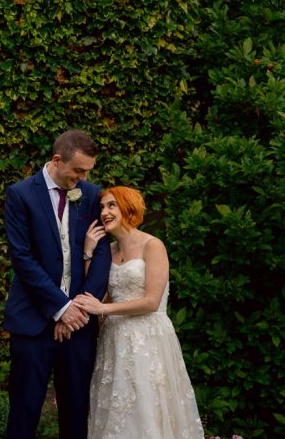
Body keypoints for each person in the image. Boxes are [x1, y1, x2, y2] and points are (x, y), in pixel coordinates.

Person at [3, 130, 112, 439]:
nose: (83, 177)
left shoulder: (90, 195)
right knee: (24, 413)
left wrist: (77, 308)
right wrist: (60, 308)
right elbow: (22, 258)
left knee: (76, 413)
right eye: (78, 170)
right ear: (56, 160)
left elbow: (101, 251)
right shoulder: (20, 194)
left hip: (79, 326)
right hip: (32, 322)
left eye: (88, 171)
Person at [74, 186, 205, 439]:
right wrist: (88, 252)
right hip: (114, 340)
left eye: (112, 205)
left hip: (148, 339)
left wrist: (103, 309)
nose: (104, 212)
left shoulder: (152, 245)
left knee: (146, 407)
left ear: (128, 208)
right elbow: (96, 294)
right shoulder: (108, 251)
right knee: (116, 411)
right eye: (102, 207)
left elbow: (151, 302)